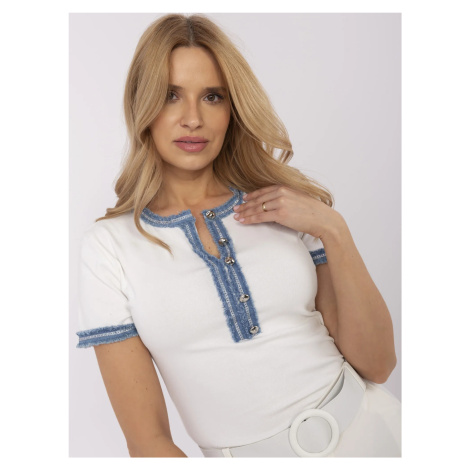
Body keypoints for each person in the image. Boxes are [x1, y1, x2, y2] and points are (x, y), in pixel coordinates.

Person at [75, 13, 401, 458]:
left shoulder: (284, 207)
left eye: (212, 97)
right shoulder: (110, 247)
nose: (193, 118)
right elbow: (148, 441)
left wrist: (334, 229)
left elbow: (378, 365)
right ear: (142, 105)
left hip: (377, 435)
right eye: (171, 95)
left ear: (232, 109)